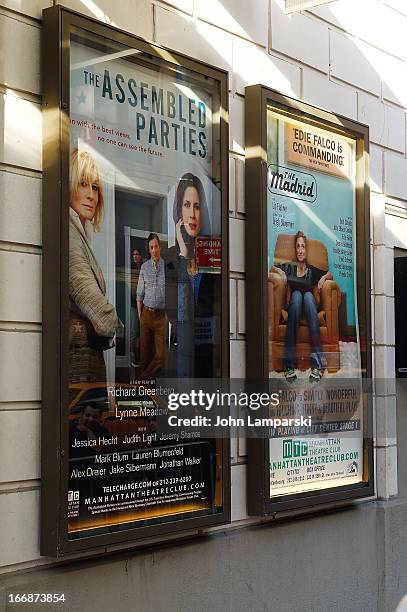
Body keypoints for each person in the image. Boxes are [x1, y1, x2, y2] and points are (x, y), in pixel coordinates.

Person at [69, 148, 122, 384]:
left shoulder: (81, 234)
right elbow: (101, 314)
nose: (91, 195)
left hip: (85, 368)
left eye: (95, 187)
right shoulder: (69, 234)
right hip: (78, 370)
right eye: (82, 183)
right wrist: (115, 327)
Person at [167, 172, 219, 377]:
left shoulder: (212, 257)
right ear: (179, 210)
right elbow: (174, 311)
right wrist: (183, 255)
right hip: (180, 357)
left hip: (209, 359)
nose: (192, 214)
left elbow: (216, 309)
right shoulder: (170, 256)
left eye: (197, 207)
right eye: (187, 205)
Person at [272, 230, 333, 383]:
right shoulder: (290, 268)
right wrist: (281, 272)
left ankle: (317, 365)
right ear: (295, 249)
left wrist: (322, 279)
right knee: (298, 296)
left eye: (303, 247)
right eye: (298, 246)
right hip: (295, 309)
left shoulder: (312, 270)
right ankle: (289, 365)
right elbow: (272, 268)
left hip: (310, 309)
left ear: (306, 250)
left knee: (306, 296)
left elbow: (329, 273)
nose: (300, 250)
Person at [136, 233, 166, 379]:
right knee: (144, 354)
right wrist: (140, 316)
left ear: (160, 247)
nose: (154, 250)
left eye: (156, 247)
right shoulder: (144, 267)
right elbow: (139, 295)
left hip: (161, 317)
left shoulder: (167, 266)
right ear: (149, 250)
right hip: (146, 315)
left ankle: (143, 377)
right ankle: (142, 386)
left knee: (161, 356)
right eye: (151, 247)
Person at [130, 248, 143, 367]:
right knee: (134, 332)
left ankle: (141, 358)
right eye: (133, 254)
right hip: (133, 305)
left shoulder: (143, 269)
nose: (135, 256)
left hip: (144, 305)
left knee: (142, 333)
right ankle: (133, 358)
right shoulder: (130, 270)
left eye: (137, 254)